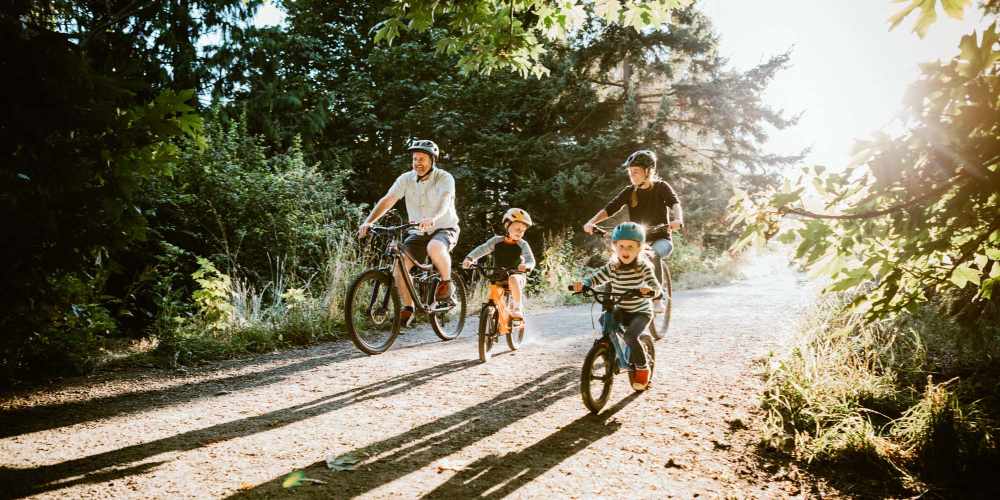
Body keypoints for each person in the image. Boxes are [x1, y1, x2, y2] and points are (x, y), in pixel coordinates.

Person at [357, 139, 459, 326]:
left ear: (432, 160)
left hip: (444, 227)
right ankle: (408, 307)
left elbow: (446, 200)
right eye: (414, 159)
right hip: (418, 232)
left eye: (422, 159)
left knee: (435, 247)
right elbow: (388, 200)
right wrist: (369, 221)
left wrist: (433, 218)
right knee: (399, 266)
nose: (417, 163)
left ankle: (447, 284)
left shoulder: (444, 178)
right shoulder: (406, 179)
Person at [582, 149, 683, 314]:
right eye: (630, 172)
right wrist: (591, 222)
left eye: (635, 171)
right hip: (637, 242)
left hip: (661, 239)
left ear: (648, 171)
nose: (632, 175)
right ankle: (609, 307)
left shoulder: (661, 187)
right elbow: (610, 208)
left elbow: (675, 203)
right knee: (617, 261)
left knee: (653, 254)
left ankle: (657, 298)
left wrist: (678, 219)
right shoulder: (630, 191)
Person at [572, 222, 660, 390]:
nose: (625, 250)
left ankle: (643, 368)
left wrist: (651, 291)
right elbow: (596, 278)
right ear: (614, 247)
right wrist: (584, 284)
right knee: (605, 320)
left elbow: (655, 286)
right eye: (621, 246)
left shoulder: (643, 267)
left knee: (630, 337)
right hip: (622, 309)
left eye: (630, 247)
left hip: (641, 312)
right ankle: (610, 352)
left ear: (639, 248)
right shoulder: (613, 267)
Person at [462, 208, 536, 320]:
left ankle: (517, 308)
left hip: (517, 276)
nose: (520, 232)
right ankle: (492, 319)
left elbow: (531, 260)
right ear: (507, 225)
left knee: (513, 279)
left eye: (523, 230)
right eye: (517, 228)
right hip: (499, 276)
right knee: (495, 295)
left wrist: (527, 266)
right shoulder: (496, 241)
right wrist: (470, 258)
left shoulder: (522, 244)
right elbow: (482, 249)